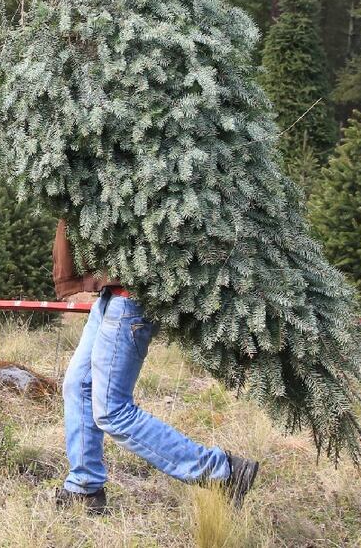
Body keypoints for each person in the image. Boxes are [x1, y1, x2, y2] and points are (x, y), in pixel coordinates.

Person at [52, 219, 260, 514]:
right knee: (78, 385)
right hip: (111, 295)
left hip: (129, 300)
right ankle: (85, 487)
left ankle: (223, 471)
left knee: (112, 411)